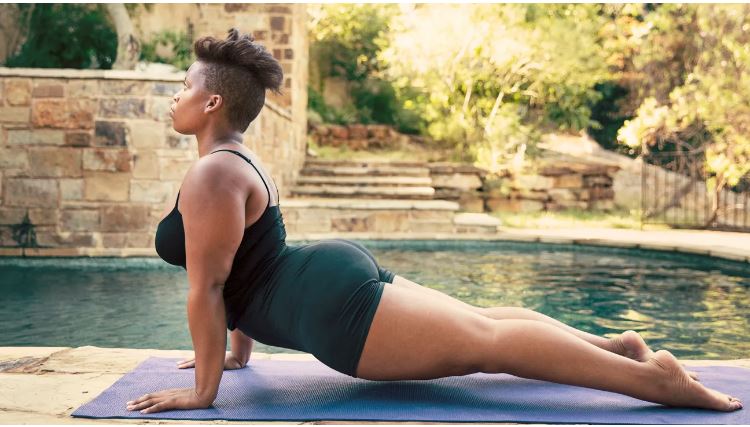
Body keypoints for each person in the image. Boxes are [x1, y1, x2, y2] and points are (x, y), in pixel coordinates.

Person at [126, 28, 743, 415]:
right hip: (320, 280)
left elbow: (211, 286)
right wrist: (235, 356)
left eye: (183, 87)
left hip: (328, 310)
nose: (175, 97)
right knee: (484, 325)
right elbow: (242, 272)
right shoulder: (237, 161)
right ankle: (619, 347)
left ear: (211, 102)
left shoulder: (210, 175)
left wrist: (205, 392)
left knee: (488, 344)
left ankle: (658, 382)